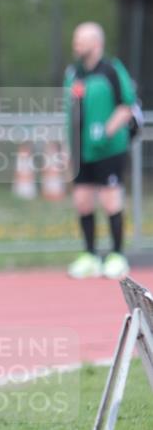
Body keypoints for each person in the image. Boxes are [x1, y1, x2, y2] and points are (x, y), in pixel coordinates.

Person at [64, 22, 136, 280]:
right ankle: (90, 255)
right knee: (82, 201)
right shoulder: (74, 73)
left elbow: (126, 105)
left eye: (80, 40)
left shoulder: (112, 71)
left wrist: (106, 132)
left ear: (96, 43)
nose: (76, 45)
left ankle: (117, 255)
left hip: (108, 150)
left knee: (110, 199)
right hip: (82, 151)